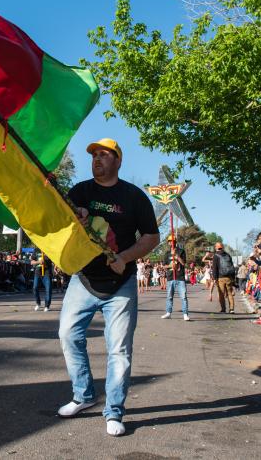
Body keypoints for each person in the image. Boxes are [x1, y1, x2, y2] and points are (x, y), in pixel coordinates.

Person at [57, 138, 160, 437]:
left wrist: (124, 257)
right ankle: (83, 395)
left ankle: (114, 411)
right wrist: (77, 215)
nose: (97, 159)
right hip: (84, 279)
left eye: (104, 155)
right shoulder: (81, 192)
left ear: (118, 161)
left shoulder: (133, 196)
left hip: (121, 283)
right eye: (94, 155)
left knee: (119, 351)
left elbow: (151, 237)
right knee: (67, 335)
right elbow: (63, 219)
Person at [161, 238, 189, 321]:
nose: (171, 243)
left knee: (183, 296)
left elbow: (183, 263)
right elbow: (164, 266)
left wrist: (176, 256)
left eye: (173, 241)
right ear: (168, 243)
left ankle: (185, 314)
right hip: (170, 277)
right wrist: (170, 266)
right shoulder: (167, 253)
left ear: (175, 242)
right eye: (170, 241)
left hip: (180, 277)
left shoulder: (181, 251)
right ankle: (168, 313)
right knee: (169, 296)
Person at [212, 242, 236, 314]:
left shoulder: (216, 256)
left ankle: (223, 309)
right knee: (229, 293)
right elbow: (232, 267)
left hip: (220, 278)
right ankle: (231, 309)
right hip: (229, 277)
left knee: (221, 294)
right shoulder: (228, 255)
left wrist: (215, 278)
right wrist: (233, 278)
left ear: (216, 248)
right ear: (222, 247)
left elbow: (215, 268)